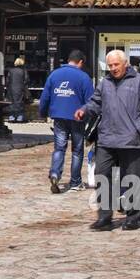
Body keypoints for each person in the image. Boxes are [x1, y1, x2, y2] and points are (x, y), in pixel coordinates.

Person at [77, 49, 140, 231]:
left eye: (116, 64)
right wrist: (84, 110)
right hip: (106, 138)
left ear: (125, 63)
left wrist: (138, 128)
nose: (113, 68)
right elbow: (95, 103)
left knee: (132, 179)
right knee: (101, 175)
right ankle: (105, 217)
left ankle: (132, 217)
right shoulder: (105, 82)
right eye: (110, 65)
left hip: (131, 140)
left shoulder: (139, 82)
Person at [38, 49, 94, 193]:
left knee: (59, 148)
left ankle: (55, 173)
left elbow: (45, 97)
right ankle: (75, 182)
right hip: (77, 118)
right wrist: (89, 117)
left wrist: (43, 113)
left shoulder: (54, 74)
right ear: (80, 62)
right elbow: (91, 101)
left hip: (58, 116)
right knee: (77, 150)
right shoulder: (84, 77)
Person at [5, 56, 28, 124]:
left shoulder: (11, 70)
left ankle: (11, 117)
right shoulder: (23, 71)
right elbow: (26, 80)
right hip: (20, 88)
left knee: (12, 102)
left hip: (11, 88)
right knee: (20, 102)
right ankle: (19, 117)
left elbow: (7, 80)